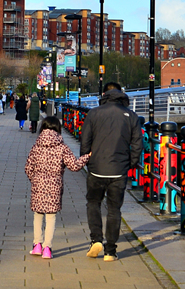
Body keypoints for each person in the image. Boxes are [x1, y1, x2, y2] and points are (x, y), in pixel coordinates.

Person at [80, 81, 143, 262]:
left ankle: (96, 240)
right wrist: (130, 164)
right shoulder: (131, 116)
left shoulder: (94, 113)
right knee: (114, 209)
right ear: (121, 94)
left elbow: (85, 141)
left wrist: (87, 160)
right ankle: (110, 251)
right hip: (118, 169)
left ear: (104, 95)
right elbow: (137, 144)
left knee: (93, 203)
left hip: (97, 168)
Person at [24, 116, 90, 260]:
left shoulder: (36, 146)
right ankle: (47, 248)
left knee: (38, 215)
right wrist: (86, 157)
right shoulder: (62, 147)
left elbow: (28, 167)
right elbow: (74, 166)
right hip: (54, 186)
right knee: (51, 217)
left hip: (38, 185)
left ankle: (37, 245)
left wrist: (34, 180)